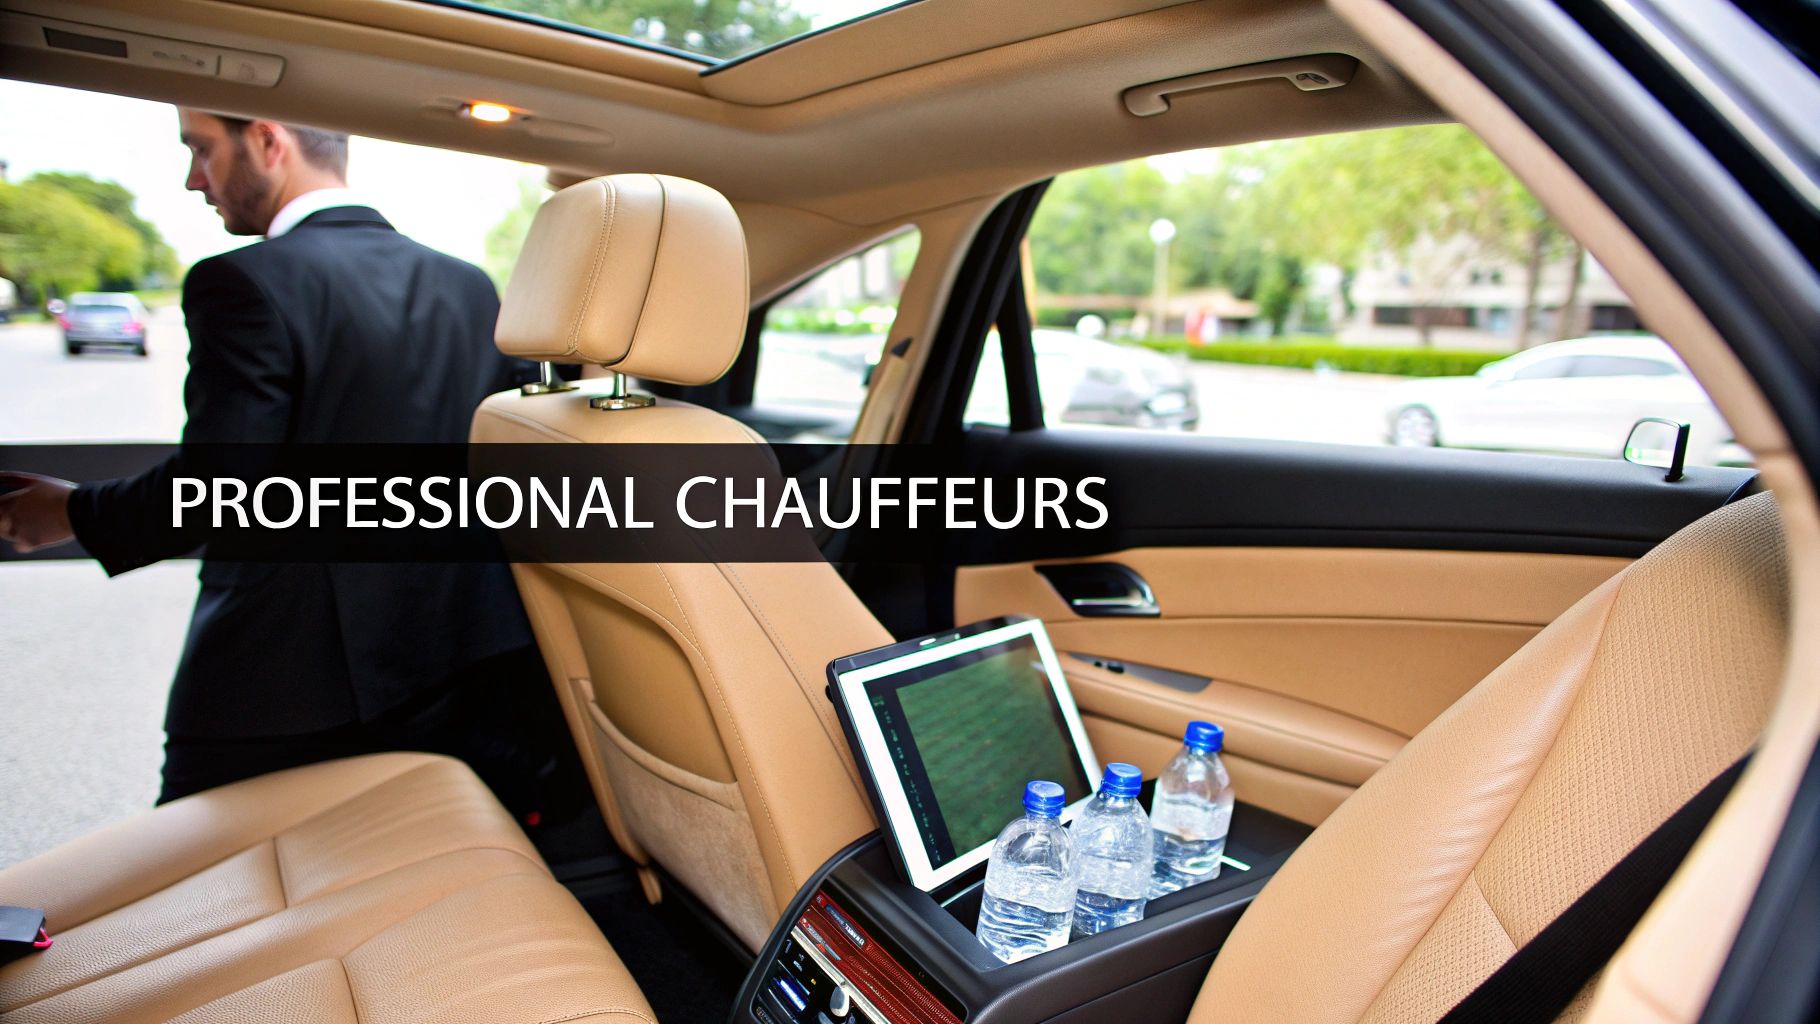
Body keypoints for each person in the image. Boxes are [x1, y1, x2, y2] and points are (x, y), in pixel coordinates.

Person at [0, 110, 568, 810]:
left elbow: (215, 489)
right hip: (451, 669)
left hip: (282, 684)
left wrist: (67, 511)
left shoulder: (241, 283)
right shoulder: (468, 285)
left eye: (201, 149)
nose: (192, 179)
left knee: (192, 893)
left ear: (269, 141)